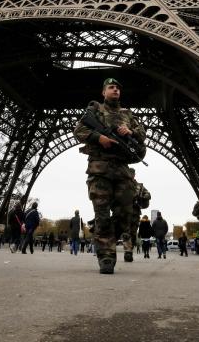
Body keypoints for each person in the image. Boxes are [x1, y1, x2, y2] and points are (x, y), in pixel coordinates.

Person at [73, 78, 146, 274]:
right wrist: (100, 138)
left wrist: (130, 131)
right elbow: (79, 130)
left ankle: (101, 232)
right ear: (103, 92)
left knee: (125, 213)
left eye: (117, 88)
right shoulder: (95, 111)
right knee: (102, 213)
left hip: (122, 170)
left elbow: (142, 137)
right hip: (100, 169)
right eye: (111, 87)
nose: (115, 90)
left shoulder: (128, 115)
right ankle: (106, 255)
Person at [128, 179, 151, 262]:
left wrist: (143, 197)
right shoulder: (121, 182)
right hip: (124, 212)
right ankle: (128, 250)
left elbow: (148, 194)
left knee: (132, 232)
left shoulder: (138, 186)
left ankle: (129, 250)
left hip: (134, 212)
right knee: (126, 232)